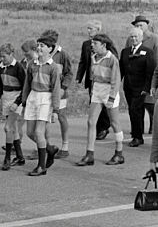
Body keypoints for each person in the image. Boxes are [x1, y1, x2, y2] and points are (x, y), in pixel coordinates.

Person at [78, 33, 124, 166]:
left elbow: (116, 80)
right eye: (92, 43)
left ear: (103, 45)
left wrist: (111, 98)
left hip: (109, 90)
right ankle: (89, 154)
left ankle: (119, 153)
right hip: (97, 90)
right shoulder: (93, 57)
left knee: (114, 122)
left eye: (95, 44)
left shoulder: (112, 59)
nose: (92, 46)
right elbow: (93, 76)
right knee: (91, 122)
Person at [19, 36, 62, 176]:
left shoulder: (53, 67)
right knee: (30, 132)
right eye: (38, 45)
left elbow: (55, 89)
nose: (39, 48)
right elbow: (27, 84)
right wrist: (24, 102)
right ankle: (49, 149)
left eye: (42, 45)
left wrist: (55, 110)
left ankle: (41, 166)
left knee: (39, 132)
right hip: (33, 96)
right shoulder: (32, 64)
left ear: (50, 49)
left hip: (46, 98)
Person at [0, 43, 26, 171]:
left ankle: (7, 158)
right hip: (6, 97)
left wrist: (18, 102)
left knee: (8, 127)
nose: (2, 59)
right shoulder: (0, 67)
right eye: (0, 57)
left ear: (11, 55)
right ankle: (20, 157)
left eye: (4, 56)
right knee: (13, 129)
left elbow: (25, 87)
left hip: (16, 98)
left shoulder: (18, 67)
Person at [120, 24, 155, 148]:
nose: (133, 39)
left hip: (140, 88)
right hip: (128, 87)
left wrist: (146, 88)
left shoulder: (148, 52)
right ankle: (137, 134)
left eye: (136, 37)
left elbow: (150, 72)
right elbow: (121, 70)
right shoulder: (125, 52)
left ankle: (137, 137)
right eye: (131, 37)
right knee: (133, 110)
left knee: (136, 110)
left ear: (141, 37)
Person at [77, 21, 111, 142]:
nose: (88, 31)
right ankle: (97, 127)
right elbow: (82, 62)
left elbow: (113, 58)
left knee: (103, 104)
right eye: (87, 28)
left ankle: (104, 127)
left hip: (103, 80)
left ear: (98, 29)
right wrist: (79, 77)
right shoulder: (86, 44)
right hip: (92, 79)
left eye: (91, 28)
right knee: (93, 103)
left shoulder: (105, 42)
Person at [41, 29, 73, 158]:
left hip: (60, 92)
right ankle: (45, 145)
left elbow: (69, 73)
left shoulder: (62, 54)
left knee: (61, 117)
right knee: (43, 119)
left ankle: (65, 146)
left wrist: (63, 87)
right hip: (45, 91)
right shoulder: (42, 54)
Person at [133, 14, 157, 134]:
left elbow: (156, 60)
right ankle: (137, 129)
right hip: (135, 77)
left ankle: (153, 125)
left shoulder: (154, 38)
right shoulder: (132, 38)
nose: (139, 27)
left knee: (149, 103)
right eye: (137, 25)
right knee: (136, 105)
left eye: (141, 25)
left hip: (149, 75)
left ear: (147, 25)